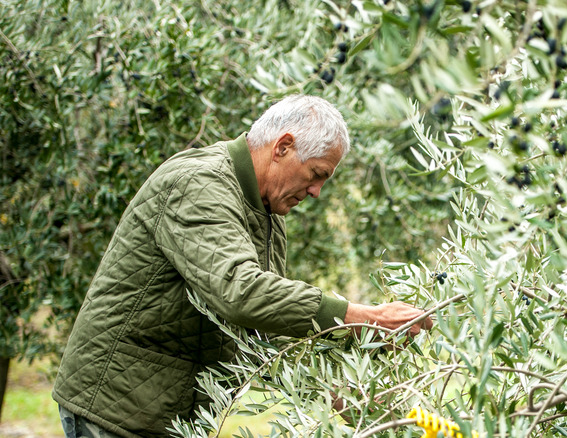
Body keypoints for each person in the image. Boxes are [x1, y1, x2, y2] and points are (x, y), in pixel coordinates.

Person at [52, 95, 432, 438]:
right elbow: (241, 292)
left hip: (168, 413)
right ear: (283, 146)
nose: (317, 192)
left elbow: (262, 327)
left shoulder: (264, 210)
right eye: (316, 174)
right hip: (116, 409)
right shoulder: (199, 184)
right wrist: (362, 317)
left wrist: (345, 389)